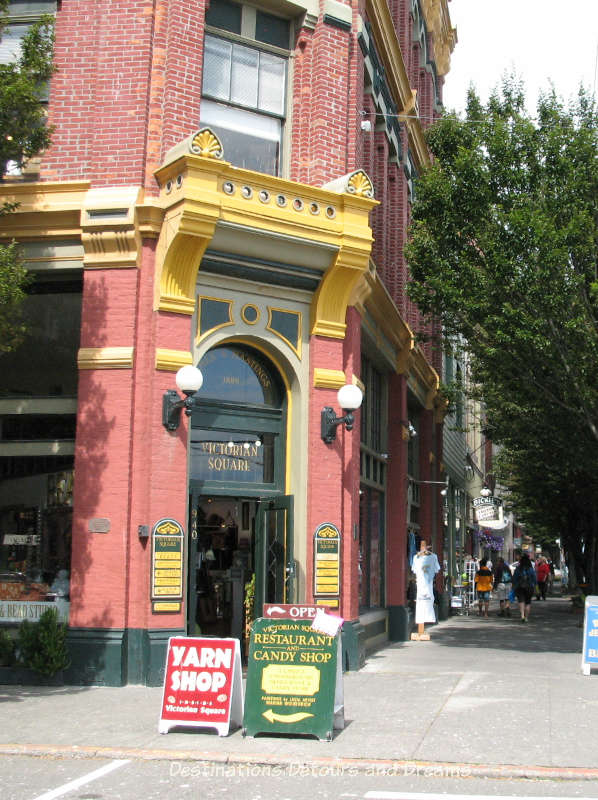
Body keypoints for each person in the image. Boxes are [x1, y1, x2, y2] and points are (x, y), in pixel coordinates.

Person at [512, 553, 537, 622]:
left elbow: (514, 578)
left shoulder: (518, 569)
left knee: (521, 601)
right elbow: (535, 579)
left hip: (520, 587)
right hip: (529, 587)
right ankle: (526, 618)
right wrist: (535, 587)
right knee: (528, 602)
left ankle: (522, 615)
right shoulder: (531, 569)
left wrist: (514, 586)